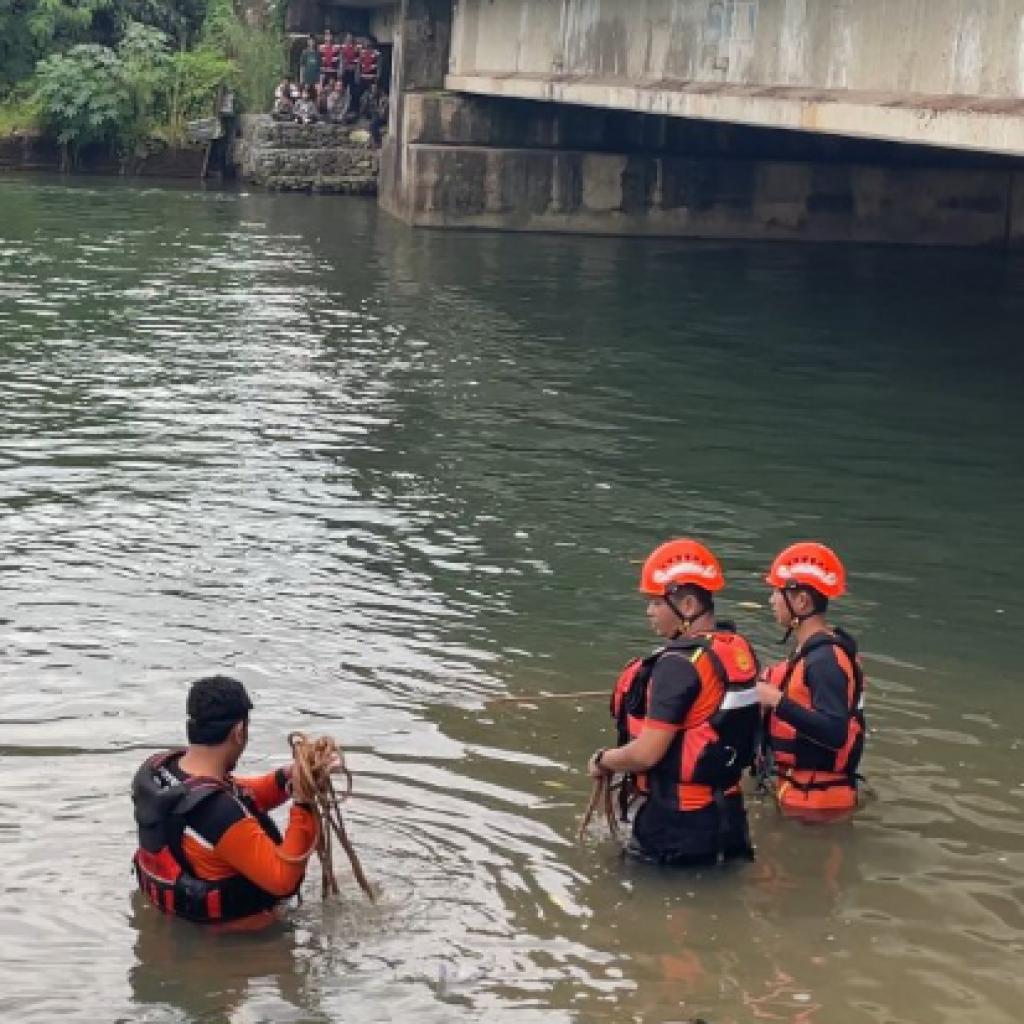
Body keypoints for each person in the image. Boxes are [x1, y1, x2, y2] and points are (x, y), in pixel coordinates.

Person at [593, 539, 761, 867]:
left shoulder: (677, 664)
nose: (649, 611)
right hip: (730, 819)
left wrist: (602, 760)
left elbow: (646, 753)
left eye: (656, 602)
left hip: (677, 826)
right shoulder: (738, 650)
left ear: (686, 605)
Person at [132, 675, 317, 924]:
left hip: (173, 923)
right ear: (239, 732)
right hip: (238, 944)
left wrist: (288, 778)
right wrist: (303, 804)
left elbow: (240, 793)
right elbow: (283, 880)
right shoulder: (220, 813)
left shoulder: (161, 770)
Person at [755, 542, 866, 822]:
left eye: (777, 593)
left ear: (801, 602)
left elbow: (834, 732)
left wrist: (775, 700)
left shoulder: (825, 660)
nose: (771, 601)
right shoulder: (812, 653)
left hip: (817, 805)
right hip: (802, 795)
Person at [340, 33, 360, 99]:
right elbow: (341, 60)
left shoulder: (356, 48)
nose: (349, 39)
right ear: (346, 39)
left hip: (353, 73)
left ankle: (352, 106)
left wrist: (354, 69)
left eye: (350, 37)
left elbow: (357, 62)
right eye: (348, 37)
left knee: (353, 91)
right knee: (342, 90)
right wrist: (341, 71)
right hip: (344, 72)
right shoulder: (343, 48)